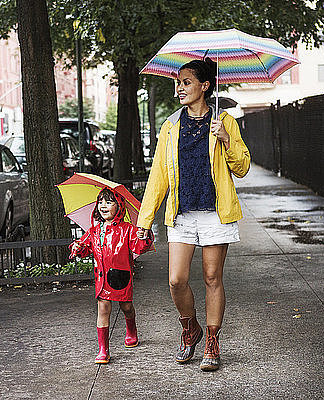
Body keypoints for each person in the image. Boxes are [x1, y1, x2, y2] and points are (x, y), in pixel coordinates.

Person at [136, 58, 250, 371]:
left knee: (212, 277)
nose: (180, 89)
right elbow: (159, 175)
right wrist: (144, 221)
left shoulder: (224, 121)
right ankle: (191, 328)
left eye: (187, 82)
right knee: (176, 280)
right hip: (182, 213)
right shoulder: (171, 126)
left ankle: (212, 341)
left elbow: (242, 168)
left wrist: (226, 140)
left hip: (215, 212)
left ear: (205, 85)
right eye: (179, 82)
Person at [70, 188, 154, 364]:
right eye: (100, 202)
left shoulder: (127, 229)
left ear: (119, 206)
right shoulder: (94, 230)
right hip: (102, 278)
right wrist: (78, 248)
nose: (103, 206)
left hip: (121, 276)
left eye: (109, 202)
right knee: (103, 308)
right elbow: (85, 247)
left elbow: (139, 247)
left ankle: (131, 329)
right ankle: (103, 349)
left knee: (126, 307)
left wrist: (144, 237)